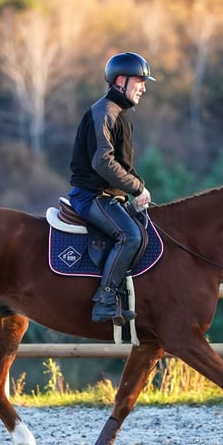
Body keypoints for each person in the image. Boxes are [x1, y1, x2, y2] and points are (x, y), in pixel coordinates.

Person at [68, 52, 155, 324]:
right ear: (121, 81)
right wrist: (137, 188)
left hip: (109, 196)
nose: (144, 87)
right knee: (130, 236)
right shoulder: (104, 112)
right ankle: (105, 299)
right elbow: (102, 162)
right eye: (140, 81)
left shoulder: (121, 114)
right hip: (91, 196)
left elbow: (124, 166)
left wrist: (139, 188)